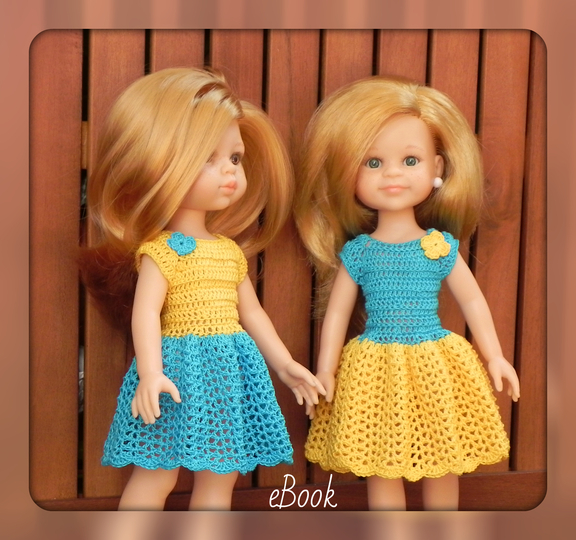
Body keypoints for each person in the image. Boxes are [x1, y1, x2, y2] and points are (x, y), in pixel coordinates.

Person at [81, 68, 325, 510]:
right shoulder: (162, 251)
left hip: (228, 371)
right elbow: (146, 313)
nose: (229, 171)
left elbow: (252, 314)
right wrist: (151, 373)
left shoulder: (229, 252)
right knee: (156, 472)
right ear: (160, 164)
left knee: (220, 474)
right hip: (174, 371)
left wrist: (285, 364)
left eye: (235, 158)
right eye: (207, 159)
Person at [294, 76, 520, 510]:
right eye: (372, 162)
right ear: (348, 172)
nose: (393, 173)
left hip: (435, 360)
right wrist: (326, 368)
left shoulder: (438, 246)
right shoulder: (360, 252)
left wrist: (494, 356)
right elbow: (337, 315)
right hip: (374, 366)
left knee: (442, 454)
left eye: (410, 160)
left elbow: (473, 300)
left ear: (437, 168)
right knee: (382, 461)